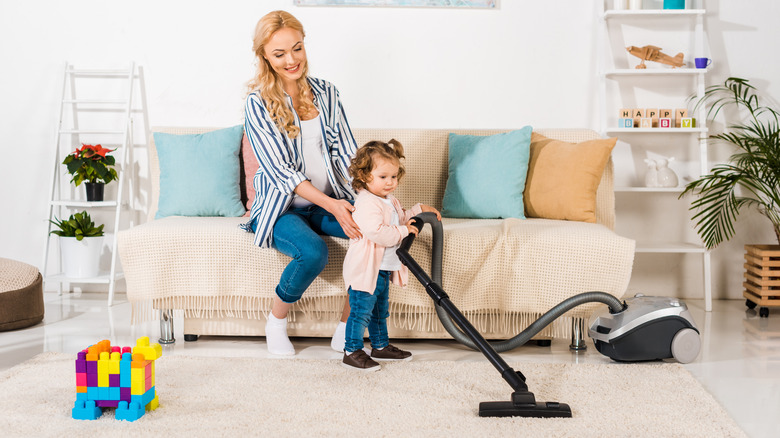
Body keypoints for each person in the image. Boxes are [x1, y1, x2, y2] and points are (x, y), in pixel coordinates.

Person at [241, 10, 359, 355]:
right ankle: (275, 322)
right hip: (282, 209)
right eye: (279, 54)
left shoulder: (327, 94)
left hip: (329, 200)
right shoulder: (257, 103)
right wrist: (334, 206)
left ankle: (347, 328)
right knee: (312, 251)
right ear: (263, 55)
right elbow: (280, 171)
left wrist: (370, 202)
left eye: (297, 48)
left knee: (372, 238)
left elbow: (347, 152)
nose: (291, 60)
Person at [341, 139, 441, 372]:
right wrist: (404, 231)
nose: (390, 182)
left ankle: (380, 346)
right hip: (366, 269)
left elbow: (400, 217)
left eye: (394, 177)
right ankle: (352, 350)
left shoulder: (388, 200)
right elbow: (377, 232)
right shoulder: (367, 202)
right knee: (361, 311)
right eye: (383, 177)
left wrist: (418, 211)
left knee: (379, 311)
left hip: (383, 269)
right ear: (365, 176)